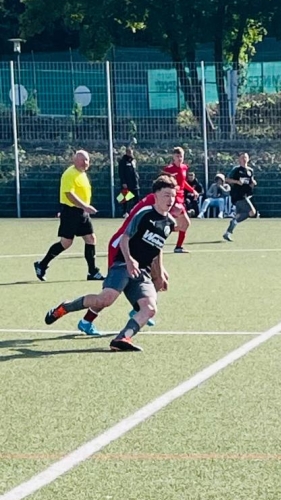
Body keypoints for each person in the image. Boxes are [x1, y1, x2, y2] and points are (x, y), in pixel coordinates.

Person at [44, 178, 175, 351]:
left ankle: (122, 339)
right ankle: (65, 307)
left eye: (173, 196)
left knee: (150, 309)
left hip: (142, 272)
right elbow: (125, 238)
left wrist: (160, 270)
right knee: (105, 299)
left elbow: (157, 247)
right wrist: (129, 260)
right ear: (156, 196)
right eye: (166, 195)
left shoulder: (170, 222)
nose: (170, 200)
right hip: (123, 264)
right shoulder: (145, 214)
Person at [33, 149, 104, 283]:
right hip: (71, 212)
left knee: (90, 239)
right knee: (66, 243)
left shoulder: (82, 173)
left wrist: (84, 208)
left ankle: (92, 272)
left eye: (87, 160)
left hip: (82, 213)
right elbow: (69, 194)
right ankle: (41, 265)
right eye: (82, 160)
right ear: (74, 160)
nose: (85, 163)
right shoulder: (69, 174)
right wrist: (85, 206)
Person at [161, 145, 199, 253]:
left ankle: (178, 246)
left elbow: (183, 182)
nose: (179, 158)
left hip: (181, 198)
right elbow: (162, 182)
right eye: (177, 156)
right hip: (173, 198)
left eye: (181, 156)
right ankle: (163, 224)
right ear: (173, 157)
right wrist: (172, 186)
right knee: (177, 210)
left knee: (185, 224)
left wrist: (192, 190)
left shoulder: (184, 167)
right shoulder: (168, 169)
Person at [223, 152, 257, 242]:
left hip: (246, 195)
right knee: (252, 212)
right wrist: (237, 182)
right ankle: (234, 221)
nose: (244, 159)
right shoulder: (236, 170)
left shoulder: (250, 171)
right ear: (239, 159)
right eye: (242, 157)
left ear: (248, 159)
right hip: (238, 195)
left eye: (245, 157)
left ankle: (228, 233)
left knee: (241, 214)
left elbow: (250, 181)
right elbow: (227, 179)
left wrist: (253, 183)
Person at [116, 146, 139, 215]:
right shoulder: (123, 161)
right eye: (129, 152)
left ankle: (136, 211)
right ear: (126, 153)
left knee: (136, 198)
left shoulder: (133, 160)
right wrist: (123, 182)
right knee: (124, 198)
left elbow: (135, 170)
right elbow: (121, 172)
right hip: (127, 183)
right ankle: (124, 212)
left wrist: (137, 178)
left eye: (131, 152)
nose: (131, 154)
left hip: (134, 183)